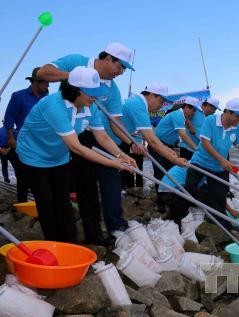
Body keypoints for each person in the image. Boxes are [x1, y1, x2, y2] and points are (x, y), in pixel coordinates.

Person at [16, 67, 136, 242]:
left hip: (60, 157)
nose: (94, 97)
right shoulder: (54, 106)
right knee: (46, 203)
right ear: (75, 89)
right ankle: (54, 244)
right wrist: (113, 164)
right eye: (90, 93)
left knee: (63, 202)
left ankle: (69, 243)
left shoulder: (91, 106)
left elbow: (102, 136)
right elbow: (76, 147)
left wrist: (120, 155)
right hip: (34, 156)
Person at [37, 42, 142, 237]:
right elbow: (42, 73)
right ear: (108, 58)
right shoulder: (76, 62)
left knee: (113, 178)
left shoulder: (113, 90)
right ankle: (93, 233)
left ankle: (116, 228)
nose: (120, 73)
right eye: (119, 67)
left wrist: (129, 144)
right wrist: (77, 78)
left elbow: (115, 122)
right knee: (86, 187)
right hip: (74, 133)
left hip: (101, 135)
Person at [185, 98, 239, 231]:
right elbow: (205, 143)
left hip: (218, 168)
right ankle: (199, 211)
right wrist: (222, 160)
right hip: (200, 162)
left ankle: (226, 228)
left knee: (220, 198)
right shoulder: (211, 121)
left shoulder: (238, 129)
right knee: (189, 188)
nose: (238, 119)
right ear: (227, 112)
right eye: (236, 115)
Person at [107, 83, 187, 189]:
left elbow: (151, 133)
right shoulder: (138, 105)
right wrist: (174, 160)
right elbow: (152, 140)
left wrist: (167, 149)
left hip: (116, 141)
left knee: (118, 175)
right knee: (112, 177)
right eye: (161, 101)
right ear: (151, 95)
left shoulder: (140, 104)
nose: (161, 106)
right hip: (107, 140)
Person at [2, 67, 49, 201]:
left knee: (42, 173)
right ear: (35, 82)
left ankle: (41, 201)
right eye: (45, 82)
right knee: (23, 175)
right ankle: (22, 203)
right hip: (25, 142)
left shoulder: (47, 99)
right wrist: (11, 138)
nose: (48, 85)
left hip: (43, 142)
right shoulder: (18, 96)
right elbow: (9, 119)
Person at [152, 96, 200, 209]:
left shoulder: (181, 117)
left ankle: (168, 198)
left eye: (195, 111)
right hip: (157, 144)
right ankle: (159, 203)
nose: (193, 113)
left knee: (168, 173)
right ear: (186, 107)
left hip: (167, 146)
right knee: (160, 171)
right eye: (193, 110)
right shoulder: (177, 115)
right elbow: (183, 135)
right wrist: (197, 149)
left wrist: (188, 122)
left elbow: (192, 131)